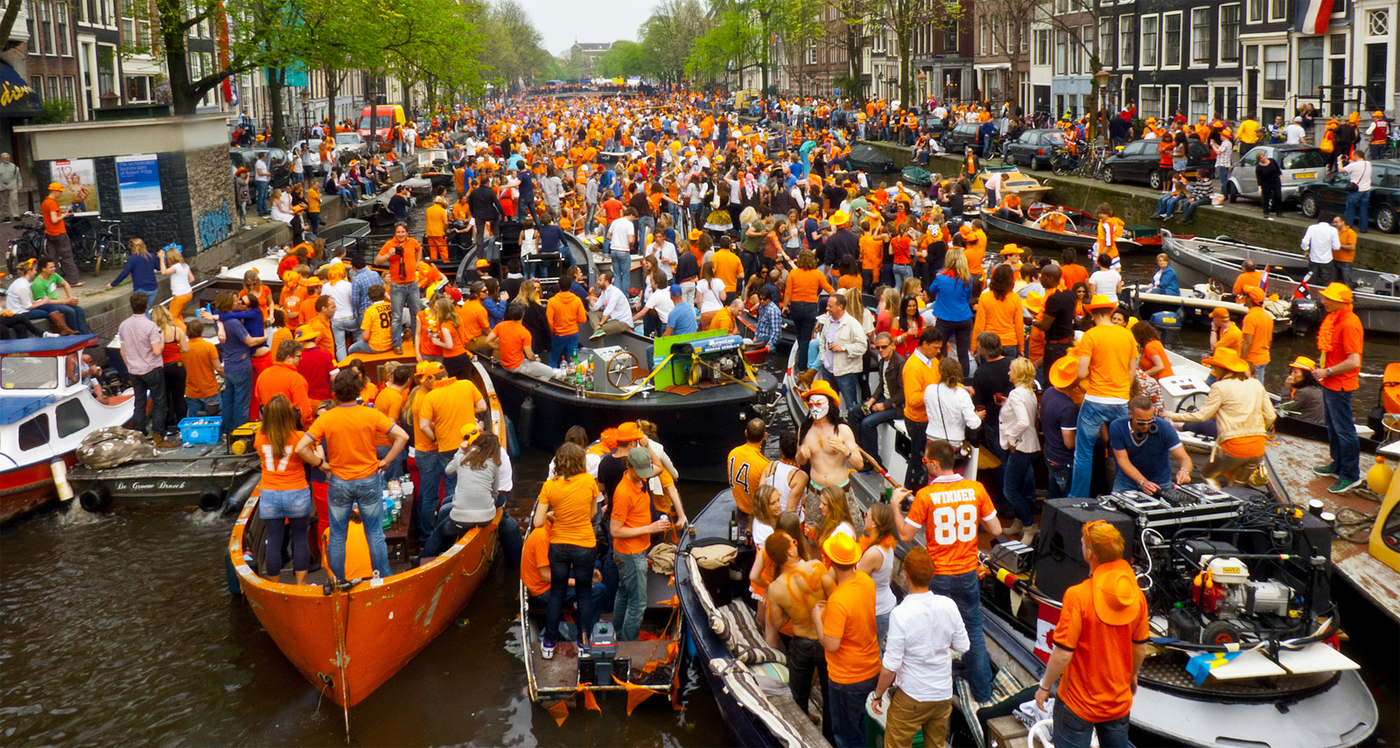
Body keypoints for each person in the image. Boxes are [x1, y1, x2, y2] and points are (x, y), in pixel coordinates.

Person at [892, 440, 1001, 705]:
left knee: (933, 630)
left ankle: (930, 687)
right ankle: (983, 692)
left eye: (925, 461)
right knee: (973, 629)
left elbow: (905, 535)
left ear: (934, 464)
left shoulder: (926, 496)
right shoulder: (976, 489)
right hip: (967, 574)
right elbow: (996, 530)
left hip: (937, 575)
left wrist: (895, 505)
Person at [1034, 520, 1148, 748]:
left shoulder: (1078, 597)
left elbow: (1063, 653)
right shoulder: (1136, 595)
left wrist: (1044, 687)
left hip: (1078, 704)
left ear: (1089, 553)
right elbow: (1140, 646)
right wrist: (1132, 675)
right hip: (1117, 702)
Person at [296, 368, 409, 582]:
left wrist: (321, 463)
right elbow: (401, 436)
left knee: (338, 536)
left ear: (335, 392)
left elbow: (301, 448)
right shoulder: (370, 413)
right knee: (374, 534)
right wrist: (385, 461)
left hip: (339, 481)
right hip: (368, 479)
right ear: (358, 389)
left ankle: (338, 581)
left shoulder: (327, 418)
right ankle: (382, 578)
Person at [869, 545, 968, 748]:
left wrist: (877, 695)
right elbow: (963, 645)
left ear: (906, 575)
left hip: (911, 697)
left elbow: (891, 666)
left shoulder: (901, 613)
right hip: (942, 694)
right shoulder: (948, 606)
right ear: (931, 575)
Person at [764, 530, 836, 743]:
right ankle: (828, 741)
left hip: (801, 643)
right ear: (790, 550)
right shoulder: (816, 566)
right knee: (829, 698)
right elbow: (835, 598)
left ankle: (798, 740)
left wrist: (792, 608)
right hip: (824, 639)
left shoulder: (775, 589)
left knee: (798, 699)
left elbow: (776, 623)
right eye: (794, 542)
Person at [1166, 348, 1276, 487]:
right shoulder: (1256, 384)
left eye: (1214, 367)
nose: (1213, 370)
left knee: (1208, 475)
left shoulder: (1219, 386)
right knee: (1237, 485)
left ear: (1220, 368)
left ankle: (1216, 503)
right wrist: (1259, 431)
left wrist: (1174, 416)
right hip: (1258, 448)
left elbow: (1202, 416)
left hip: (1234, 447)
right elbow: (1271, 415)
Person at [812, 533, 881, 748]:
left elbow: (831, 644)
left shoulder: (838, 600)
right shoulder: (866, 582)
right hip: (871, 669)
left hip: (847, 679)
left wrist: (817, 620)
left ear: (832, 562)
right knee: (862, 726)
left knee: (847, 736)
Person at [533, 442, 601, 658]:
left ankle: (549, 644)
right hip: (584, 545)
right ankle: (583, 645)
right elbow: (592, 512)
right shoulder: (589, 481)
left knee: (557, 593)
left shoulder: (549, 486)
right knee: (584, 594)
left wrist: (555, 515)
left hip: (558, 547)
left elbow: (537, 522)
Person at [1071, 295, 1138, 498]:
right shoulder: (1127, 336)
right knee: (1121, 453)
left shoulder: (1090, 336)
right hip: (1121, 400)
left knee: (1084, 453)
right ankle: (1122, 495)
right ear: (1110, 312)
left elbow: (1081, 373)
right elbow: (1132, 372)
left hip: (1096, 399)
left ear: (1092, 314)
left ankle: (1078, 498)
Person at [610, 446, 671, 642]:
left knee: (623, 592)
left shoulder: (640, 477)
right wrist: (650, 529)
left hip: (631, 552)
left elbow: (659, 467)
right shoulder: (623, 492)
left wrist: (646, 446)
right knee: (638, 604)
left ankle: (618, 633)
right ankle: (629, 645)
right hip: (630, 554)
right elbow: (615, 530)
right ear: (629, 465)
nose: (646, 475)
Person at [256, 394, 318, 585]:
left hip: (269, 493)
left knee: (274, 541)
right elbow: (312, 458)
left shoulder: (259, 436)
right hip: (296, 492)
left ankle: (274, 585)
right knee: (299, 539)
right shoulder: (299, 437)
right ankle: (301, 585)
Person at [1311, 283, 1365, 493]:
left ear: (1341, 302)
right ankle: (1337, 465)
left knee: (1344, 430)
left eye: (1328, 298)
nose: (1323, 301)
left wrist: (1328, 371)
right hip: (1329, 383)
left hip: (1340, 385)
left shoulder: (1350, 324)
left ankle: (1350, 475)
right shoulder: (1334, 318)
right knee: (1333, 427)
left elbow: (1353, 361)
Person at [422, 425, 501, 557]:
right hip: (486, 516)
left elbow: (448, 471)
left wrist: (461, 450)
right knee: (449, 505)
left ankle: (422, 560)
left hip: (461, 518)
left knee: (440, 532)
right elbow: (494, 491)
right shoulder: (494, 463)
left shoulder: (463, 457)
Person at [119, 292, 175, 446]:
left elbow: (122, 351)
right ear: (146, 306)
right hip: (151, 368)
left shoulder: (123, 325)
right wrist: (162, 339)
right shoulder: (150, 326)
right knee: (159, 402)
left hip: (134, 370)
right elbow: (157, 351)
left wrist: (130, 366)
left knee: (139, 402)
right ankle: (158, 436)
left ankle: (139, 434)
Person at [1109, 395, 1194, 493]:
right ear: (1130, 414)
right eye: (1141, 422)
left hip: (1160, 482)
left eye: (1150, 421)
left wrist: (1185, 471)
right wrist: (1143, 482)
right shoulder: (1117, 427)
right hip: (1127, 482)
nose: (1146, 426)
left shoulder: (1164, 427)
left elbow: (1184, 458)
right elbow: (1123, 460)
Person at [1000, 358, 1040, 543]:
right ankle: (1019, 521)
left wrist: (1011, 439)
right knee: (1022, 488)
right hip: (1030, 446)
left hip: (1021, 447)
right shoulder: (1029, 393)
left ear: (1018, 373)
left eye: (1011, 370)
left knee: (1010, 491)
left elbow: (1023, 421)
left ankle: (1029, 525)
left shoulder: (1016, 394)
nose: (1008, 372)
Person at [798, 381, 864, 493]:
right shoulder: (804, 429)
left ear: (829, 404)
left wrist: (844, 450)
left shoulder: (843, 430)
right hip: (816, 491)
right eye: (811, 405)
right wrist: (802, 456)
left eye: (818, 404)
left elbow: (859, 465)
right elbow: (800, 461)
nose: (814, 408)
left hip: (840, 491)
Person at [901, 327, 944, 490]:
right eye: (936, 347)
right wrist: (934, 392)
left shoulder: (933, 361)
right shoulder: (913, 367)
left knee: (923, 459)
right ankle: (910, 494)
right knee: (918, 462)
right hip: (917, 422)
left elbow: (942, 382)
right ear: (925, 344)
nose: (939, 351)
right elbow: (912, 400)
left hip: (929, 419)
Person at [816, 293, 868, 418]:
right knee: (830, 404)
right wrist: (823, 358)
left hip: (846, 373)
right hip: (828, 370)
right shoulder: (828, 321)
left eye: (830, 306)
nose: (827, 308)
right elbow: (822, 339)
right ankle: (833, 425)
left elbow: (862, 346)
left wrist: (843, 348)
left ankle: (852, 430)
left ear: (840, 307)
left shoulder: (853, 324)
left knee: (851, 406)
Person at [783, 249, 835, 372]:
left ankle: (801, 359)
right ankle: (802, 367)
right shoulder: (817, 273)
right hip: (810, 307)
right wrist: (839, 297)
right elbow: (829, 289)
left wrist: (785, 306)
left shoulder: (793, 273)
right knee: (806, 337)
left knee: (800, 335)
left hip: (795, 306)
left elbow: (788, 292)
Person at [374, 222, 422, 353]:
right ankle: (397, 344)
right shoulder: (389, 244)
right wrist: (389, 255)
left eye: (402, 232)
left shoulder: (412, 242)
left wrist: (417, 263)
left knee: (416, 313)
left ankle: (416, 340)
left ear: (407, 232)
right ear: (395, 234)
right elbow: (377, 261)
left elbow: (419, 249)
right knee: (396, 316)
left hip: (412, 284)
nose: (400, 234)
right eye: (398, 232)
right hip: (397, 286)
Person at [857, 332, 905, 460]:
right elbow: (881, 384)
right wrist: (871, 401)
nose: (880, 350)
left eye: (884, 347)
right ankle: (859, 448)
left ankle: (872, 459)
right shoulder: (882, 361)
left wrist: (884, 405)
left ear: (893, 346)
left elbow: (903, 393)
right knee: (854, 413)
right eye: (878, 348)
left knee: (867, 423)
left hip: (897, 406)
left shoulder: (901, 363)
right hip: (885, 399)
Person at [856, 502, 898, 648]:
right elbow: (890, 576)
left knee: (874, 651)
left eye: (866, 515)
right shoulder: (887, 545)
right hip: (885, 604)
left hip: (877, 611)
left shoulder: (873, 554)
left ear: (874, 524)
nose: (864, 517)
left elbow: (855, 582)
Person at [1042, 353, 1081, 499]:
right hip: (1063, 461)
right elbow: (1069, 442)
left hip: (1050, 455)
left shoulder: (1048, 392)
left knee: (1053, 496)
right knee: (1062, 502)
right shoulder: (1067, 408)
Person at [929, 249, 974, 375]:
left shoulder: (941, 277)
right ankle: (964, 381)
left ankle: (936, 376)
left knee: (938, 350)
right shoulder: (968, 279)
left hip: (945, 319)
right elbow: (967, 298)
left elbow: (932, 289)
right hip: (964, 318)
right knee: (963, 353)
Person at [487, 302, 557, 380]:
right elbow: (530, 356)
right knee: (549, 371)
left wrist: (501, 347)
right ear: (523, 315)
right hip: (517, 366)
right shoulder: (524, 333)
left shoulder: (501, 325)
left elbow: (488, 340)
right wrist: (536, 359)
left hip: (505, 364)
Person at [150, 306, 188, 439]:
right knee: (179, 398)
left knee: (164, 399)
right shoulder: (177, 330)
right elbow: (185, 349)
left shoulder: (154, 332)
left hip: (162, 368)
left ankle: (166, 427)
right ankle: (182, 426)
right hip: (177, 366)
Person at [727, 418, 770, 528]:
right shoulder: (764, 464)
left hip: (740, 506)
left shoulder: (733, 453)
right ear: (764, 436)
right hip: (755, 514)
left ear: (746, 433)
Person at [29, 258, 90, 334]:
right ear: (43, 269)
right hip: (48, 305)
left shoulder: (53, 275)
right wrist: (66, 301)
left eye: (54, 266)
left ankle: (85, 335)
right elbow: (45, 302)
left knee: (79, 310)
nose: (54, 269)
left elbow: (65, 284)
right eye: (51, 267)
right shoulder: (38, 284)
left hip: (56, 302)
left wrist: (70, 298)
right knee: (70, 311)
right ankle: (74, 335)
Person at [546, 268, 587, 366]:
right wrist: (572, 319)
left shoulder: (552, 301)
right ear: (569, 286)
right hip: (573, 333)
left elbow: (549, 321)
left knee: (554, 359)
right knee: (572, 360)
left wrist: (553, 331)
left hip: (559, 334)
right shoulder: (577, 300)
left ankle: (553, 379)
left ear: (559, 286)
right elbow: (583, 319)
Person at [183, 318, 223, 417]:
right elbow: (218, 368)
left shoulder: (183, 348)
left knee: (195, 422)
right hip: (209, 389)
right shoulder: (209, 347)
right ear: (201, 330)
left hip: (191, 391)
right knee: (215, 419)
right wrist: (226, 376)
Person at [42, 182, 80, 282]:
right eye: (60, 192)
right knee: (67, 257)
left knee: (52, 259)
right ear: (54, 191)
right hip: (59, 233)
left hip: (49, 233)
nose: (61, 194)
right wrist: (64, 215)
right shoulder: (52, 203)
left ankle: (55, 281)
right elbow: (54, 219)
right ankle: (73, 280)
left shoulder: (45, 203)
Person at [1238, 286, 1273, 380]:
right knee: (1258, 384)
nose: (1243, 297)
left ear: (1250, 299)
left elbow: (1247, 342)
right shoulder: (1267, 316)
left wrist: (1240, 360)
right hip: (1264, 357)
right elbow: (1269, 339)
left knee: (1252, 387)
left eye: (1245, 295)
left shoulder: (1250, 317)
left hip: (1252, 360)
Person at [348, 284, 393, 355]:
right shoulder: (391, 306)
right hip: (391, 343)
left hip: (375, 346)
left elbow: (365, 337)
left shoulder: (370, 311)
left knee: (351, 349)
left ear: (370, 297)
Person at [1281, 356, 1326, 425]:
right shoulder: (1318, 388)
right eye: (1292, 371)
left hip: (1304, 426)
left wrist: (1287, 387)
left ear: (1305, 375)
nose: (1291, 375)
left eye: (1295, 372)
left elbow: (1286, 408)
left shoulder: (1303, 392)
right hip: (1317, 423)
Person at [588, 271, 632, 335]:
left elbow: (608, 310)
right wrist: (590, 295)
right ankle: (597, 330)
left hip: (622, 321)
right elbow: (594, 308)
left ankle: (598, 331)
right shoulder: (604, 292)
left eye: (600, 280)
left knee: (600, 330)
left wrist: (600, 325)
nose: (598, 282)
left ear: (606, 282)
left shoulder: (615, 292)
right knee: (591, 313)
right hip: (612, 318)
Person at [1302, 217, 1339, 287]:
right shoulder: (1333, 230)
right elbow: (1336, 246)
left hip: (1313, 259)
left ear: (1318, 219)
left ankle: (1311, 296)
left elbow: (1304, 242)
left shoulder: (1312, 228)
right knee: (1326, 282)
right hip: (1326, 260)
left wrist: (1306, 250)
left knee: (1311, 281)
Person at [1341, 150, 1373, 233]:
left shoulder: (1354, 165)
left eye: (1353, 155)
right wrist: (1349, 161)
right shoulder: (1368, 163)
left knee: (1350, 210)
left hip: (1356, 191)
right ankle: (1363, 228)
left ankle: (1348, 228)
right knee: (1363, 210)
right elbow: (1356, 165)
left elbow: (1341, 170)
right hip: (1366, 190)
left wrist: (1338, 161)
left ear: (1356, 155)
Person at [1255, 152, 1284, 219]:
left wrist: (1281, 177)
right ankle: (1266, 212)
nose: (1263, 158)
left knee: (1278, 196)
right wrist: (1260, 187)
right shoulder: (1259, 167)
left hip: (1275, 181)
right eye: (1261, 158)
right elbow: (1259, 178)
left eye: (1264, 156)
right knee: (1266, 197)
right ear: (1259, 160)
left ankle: (1279, 212)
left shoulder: (1272, 161)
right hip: (1266, 183)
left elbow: (1278, 170)